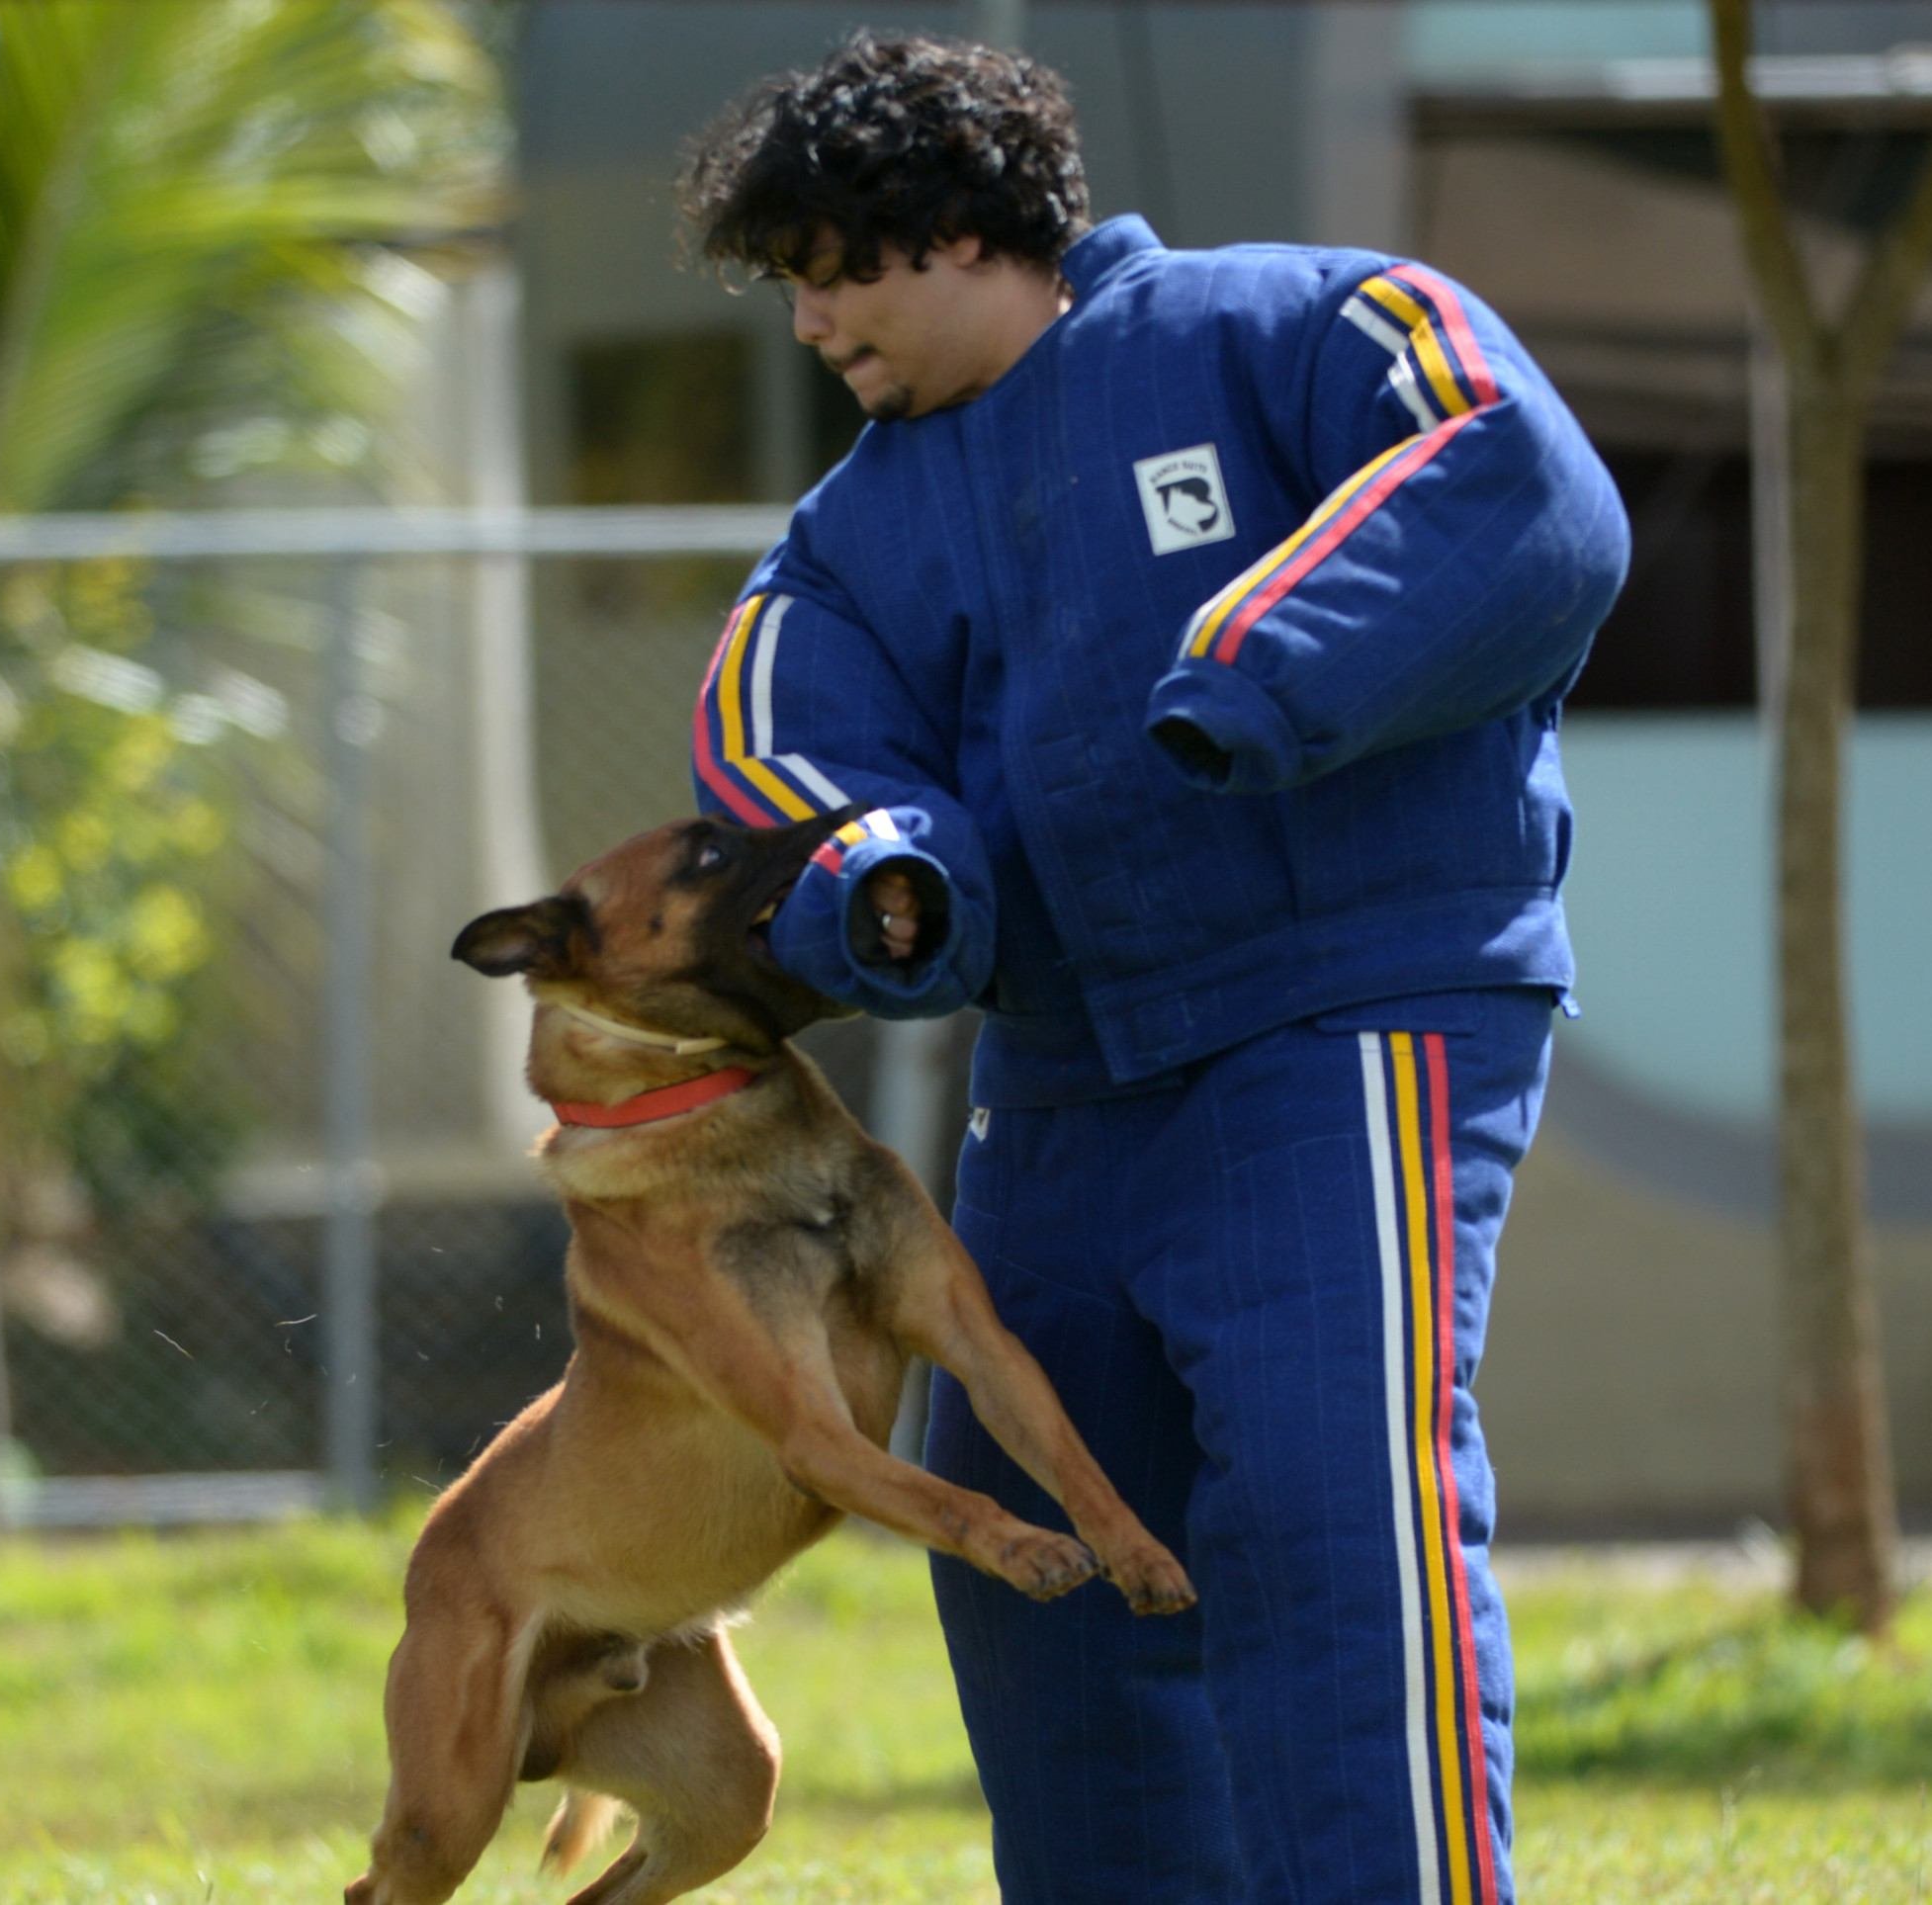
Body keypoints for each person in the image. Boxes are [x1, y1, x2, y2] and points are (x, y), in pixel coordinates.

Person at [675, 33, 1626, 1905]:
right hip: (1065, 1080)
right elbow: (783, 757)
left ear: (954, 227)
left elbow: (1520, 485)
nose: (805, 326)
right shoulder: (846, 536)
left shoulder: (1296, 324)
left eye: (826, 271)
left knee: (1325, 1519)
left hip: (1352, 1018)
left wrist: (1257, 670)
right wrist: (884, 886)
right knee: (1047, 1572)